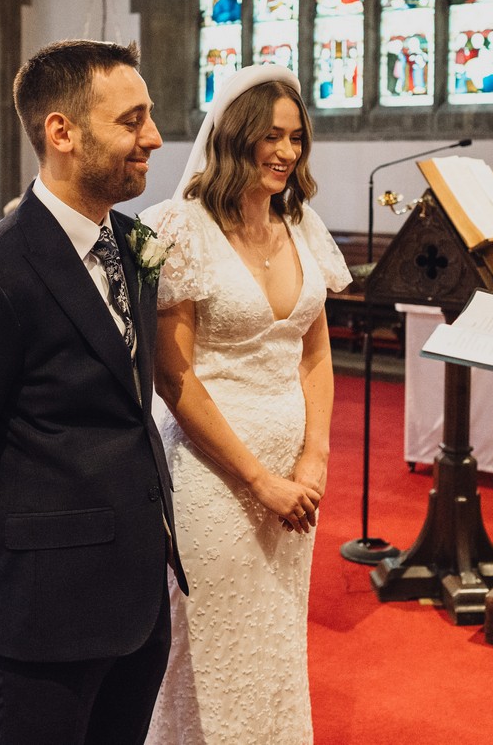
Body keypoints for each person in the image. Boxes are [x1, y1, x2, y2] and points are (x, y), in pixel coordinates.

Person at [0, 39, 185, 745]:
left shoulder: (131, 243)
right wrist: (16, 550)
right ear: (62, 132)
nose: (153, 136)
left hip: (137, 590)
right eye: (133, 119)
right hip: (44, 609)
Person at [139, 63, 348, 744]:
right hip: (214, 470)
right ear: (235, 138)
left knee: (277, 630)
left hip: (295, 473)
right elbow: (176, 378)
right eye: (272, 136)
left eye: (297, 138)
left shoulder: (302, 226)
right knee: (209, 636)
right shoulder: (180, 227)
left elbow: (315, 355)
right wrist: (259, 478)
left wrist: (312, 456)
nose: (287, 152)